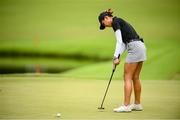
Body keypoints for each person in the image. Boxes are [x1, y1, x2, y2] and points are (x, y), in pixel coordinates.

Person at [98, 9, 147, 112]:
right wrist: (118, 56)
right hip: (140, 46)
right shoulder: (119, 21)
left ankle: (126, 105)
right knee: (135, 77)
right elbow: (124, 44)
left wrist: (115, 57)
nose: (106, 26)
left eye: (104, 24)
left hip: (134, 48)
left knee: (127, 76)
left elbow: (119, 41)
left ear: (106, 18)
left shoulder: (115, 22)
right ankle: (137, 104)